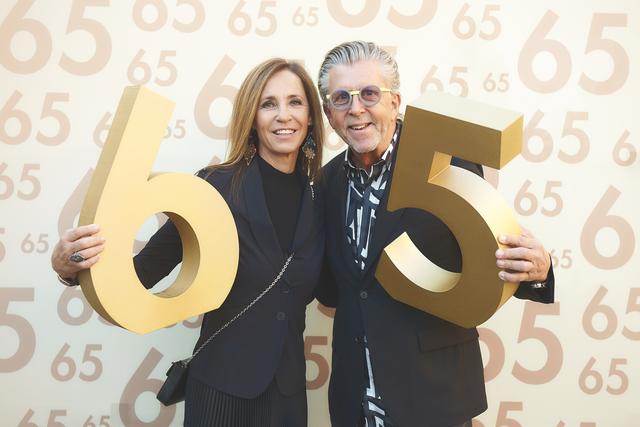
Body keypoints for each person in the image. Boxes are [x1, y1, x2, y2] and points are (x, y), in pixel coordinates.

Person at [51, 58, 326, 426]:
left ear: (310, 117)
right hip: (220, 390)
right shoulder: (214, 188)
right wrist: (69, 268)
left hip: (288, 396)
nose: (283, 115)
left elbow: (338, 288)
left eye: (295, 102)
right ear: (252, 117)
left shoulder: (323, 199)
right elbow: (143, 272)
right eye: (268, 103)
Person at [315, 41, 555, 427]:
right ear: (329, 113)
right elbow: (333, 287)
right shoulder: (325, 183)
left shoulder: (448, 163)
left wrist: (539, 269)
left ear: (396, 102)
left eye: (369, 94)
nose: (356, 108)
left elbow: (487, 252)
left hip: (433, 397)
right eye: (341, 98)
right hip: (355, 398)